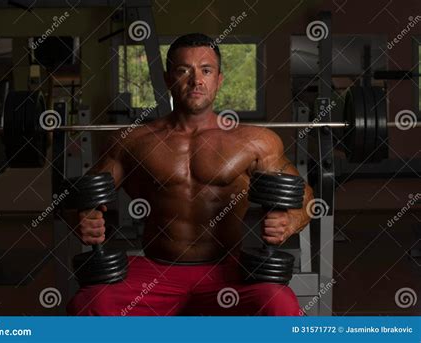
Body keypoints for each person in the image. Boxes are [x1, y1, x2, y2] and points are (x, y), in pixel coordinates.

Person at [66, 33, 314, 316]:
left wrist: (290, 220)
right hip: (157, 272)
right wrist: (82, 219)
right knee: (89, 304)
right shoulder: (133, 141)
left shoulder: (255, 141)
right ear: (167, 78)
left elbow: (304, 195)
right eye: (184, 70)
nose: (196, 80)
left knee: (280, 304)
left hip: (229, 271)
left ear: (219, 79)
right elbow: (82, 197)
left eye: (206, 70)